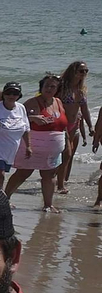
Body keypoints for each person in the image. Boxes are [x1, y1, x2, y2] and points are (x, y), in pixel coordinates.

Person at [5, 74, 66, 212]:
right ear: (41, 87)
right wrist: (32, 118)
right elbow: (14, 117)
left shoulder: (58, 102)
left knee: (49, 175)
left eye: (53, 86)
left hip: (53, 150)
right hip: (33, 146)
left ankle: (48, 205)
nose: (49, 89)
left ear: (57, 89)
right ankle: (5, 198)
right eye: (46, 86)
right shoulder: (33, 102)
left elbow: (62, 125)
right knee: (23, 173)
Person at [54, 61, 88, 194]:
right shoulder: (62, 87)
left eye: (86, 71)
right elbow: (50, 101)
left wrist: (90, 127)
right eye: (81, 71)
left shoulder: (81, 89)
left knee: (70, 155)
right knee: (65, 154)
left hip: (75, 124)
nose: (84, 74)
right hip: (62, 125)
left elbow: (84, 109)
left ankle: (62, 180)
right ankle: (59, 184)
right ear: (73, 71)